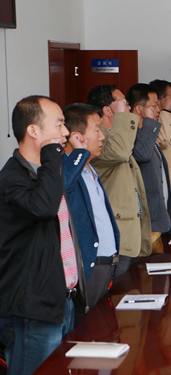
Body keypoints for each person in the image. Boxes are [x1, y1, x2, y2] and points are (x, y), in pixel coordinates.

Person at [0, 96, 87, 375]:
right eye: (59, 125)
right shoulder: (12, 178)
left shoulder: (46, 174)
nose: (66, 132)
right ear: (33, 131)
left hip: (62, 301)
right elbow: (43, 208)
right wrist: (51, 153)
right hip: (33, 310)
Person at [87, 85, 152, 280]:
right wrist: (123, 117)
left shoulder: (116, 136)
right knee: (117, 292)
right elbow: (120, 152)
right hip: (116, 234)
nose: (129, 106)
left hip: (128, 231)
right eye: (123, 102)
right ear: (108, 110)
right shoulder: (99, 140)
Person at [62, 103, 120, 311]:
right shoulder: (67, 169)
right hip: (90, 266)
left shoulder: (90, 168)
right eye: (97, 130)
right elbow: (62, 190)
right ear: (77, 136)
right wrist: (79, 154)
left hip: (107, 263)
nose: (102, 137)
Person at [128, 83, 171, 244]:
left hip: (158, 216)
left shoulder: (146, 132)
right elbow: (142, 154)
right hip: (148, 219)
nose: (158, 110)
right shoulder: (133, 134)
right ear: (139, 109)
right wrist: (148, 121)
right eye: (154, 106)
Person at [150, 80, 171, 219]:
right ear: (158, 100)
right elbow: (162, 142)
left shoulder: (165, 122)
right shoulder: (154, 124)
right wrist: (163, 111)